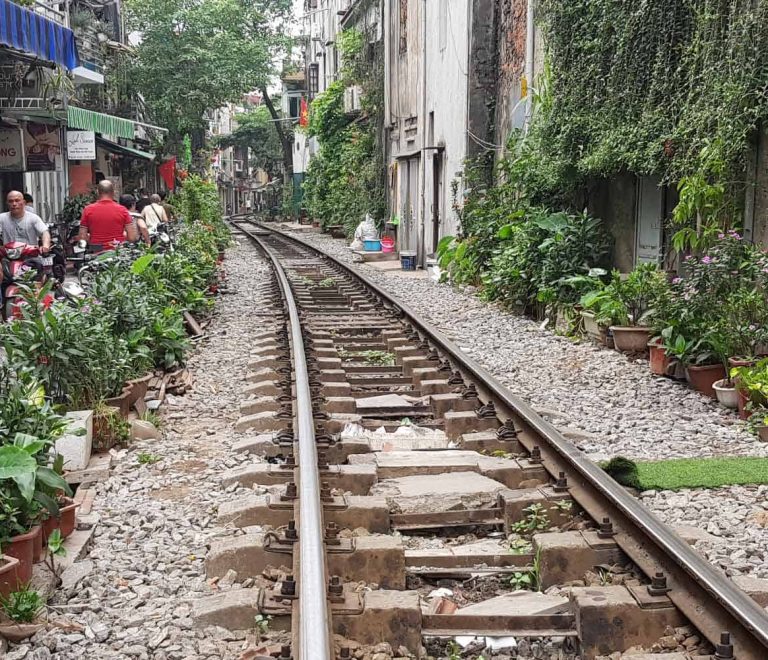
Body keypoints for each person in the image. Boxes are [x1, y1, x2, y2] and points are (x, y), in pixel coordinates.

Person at [0, 190, 50, 279]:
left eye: (17, 200)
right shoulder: (2, 218)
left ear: (23, 202)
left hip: (30, 258)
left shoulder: (33, 218)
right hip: (8, 258)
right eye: (11, 201)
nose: (14, 204)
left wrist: (45, 246)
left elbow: (44, 232)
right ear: (7, 203)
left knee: (37, 278)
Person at [78, 180, 138, 249]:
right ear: (113, 192)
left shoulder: (88, 210)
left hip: (96, 250)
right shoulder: (123, 210)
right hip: (117, 250)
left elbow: (82, 237)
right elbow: (132, 237)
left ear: (97, 192)